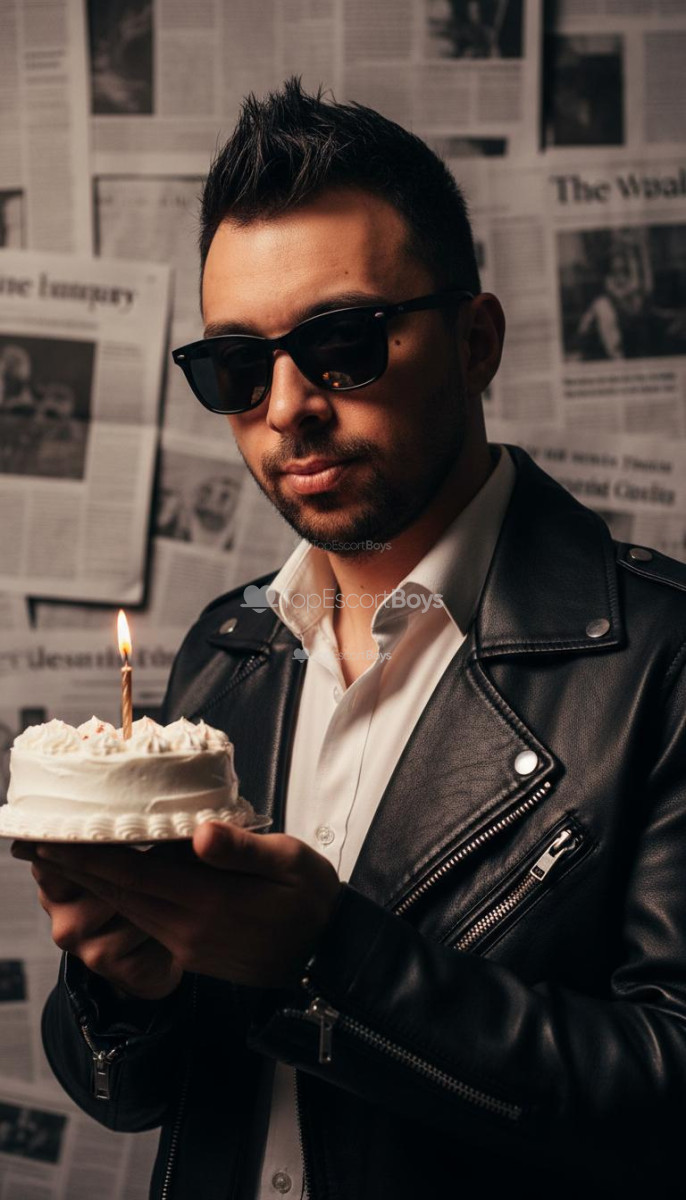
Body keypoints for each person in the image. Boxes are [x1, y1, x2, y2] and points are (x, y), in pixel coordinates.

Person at [13, 79, 686, 1199]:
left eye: (341, 344)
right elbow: (140, 1097)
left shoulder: (661, 661)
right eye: (237, 366)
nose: (286, 408)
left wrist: (328, 958)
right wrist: (123, 986)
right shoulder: (225, 653)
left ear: (475, 342)